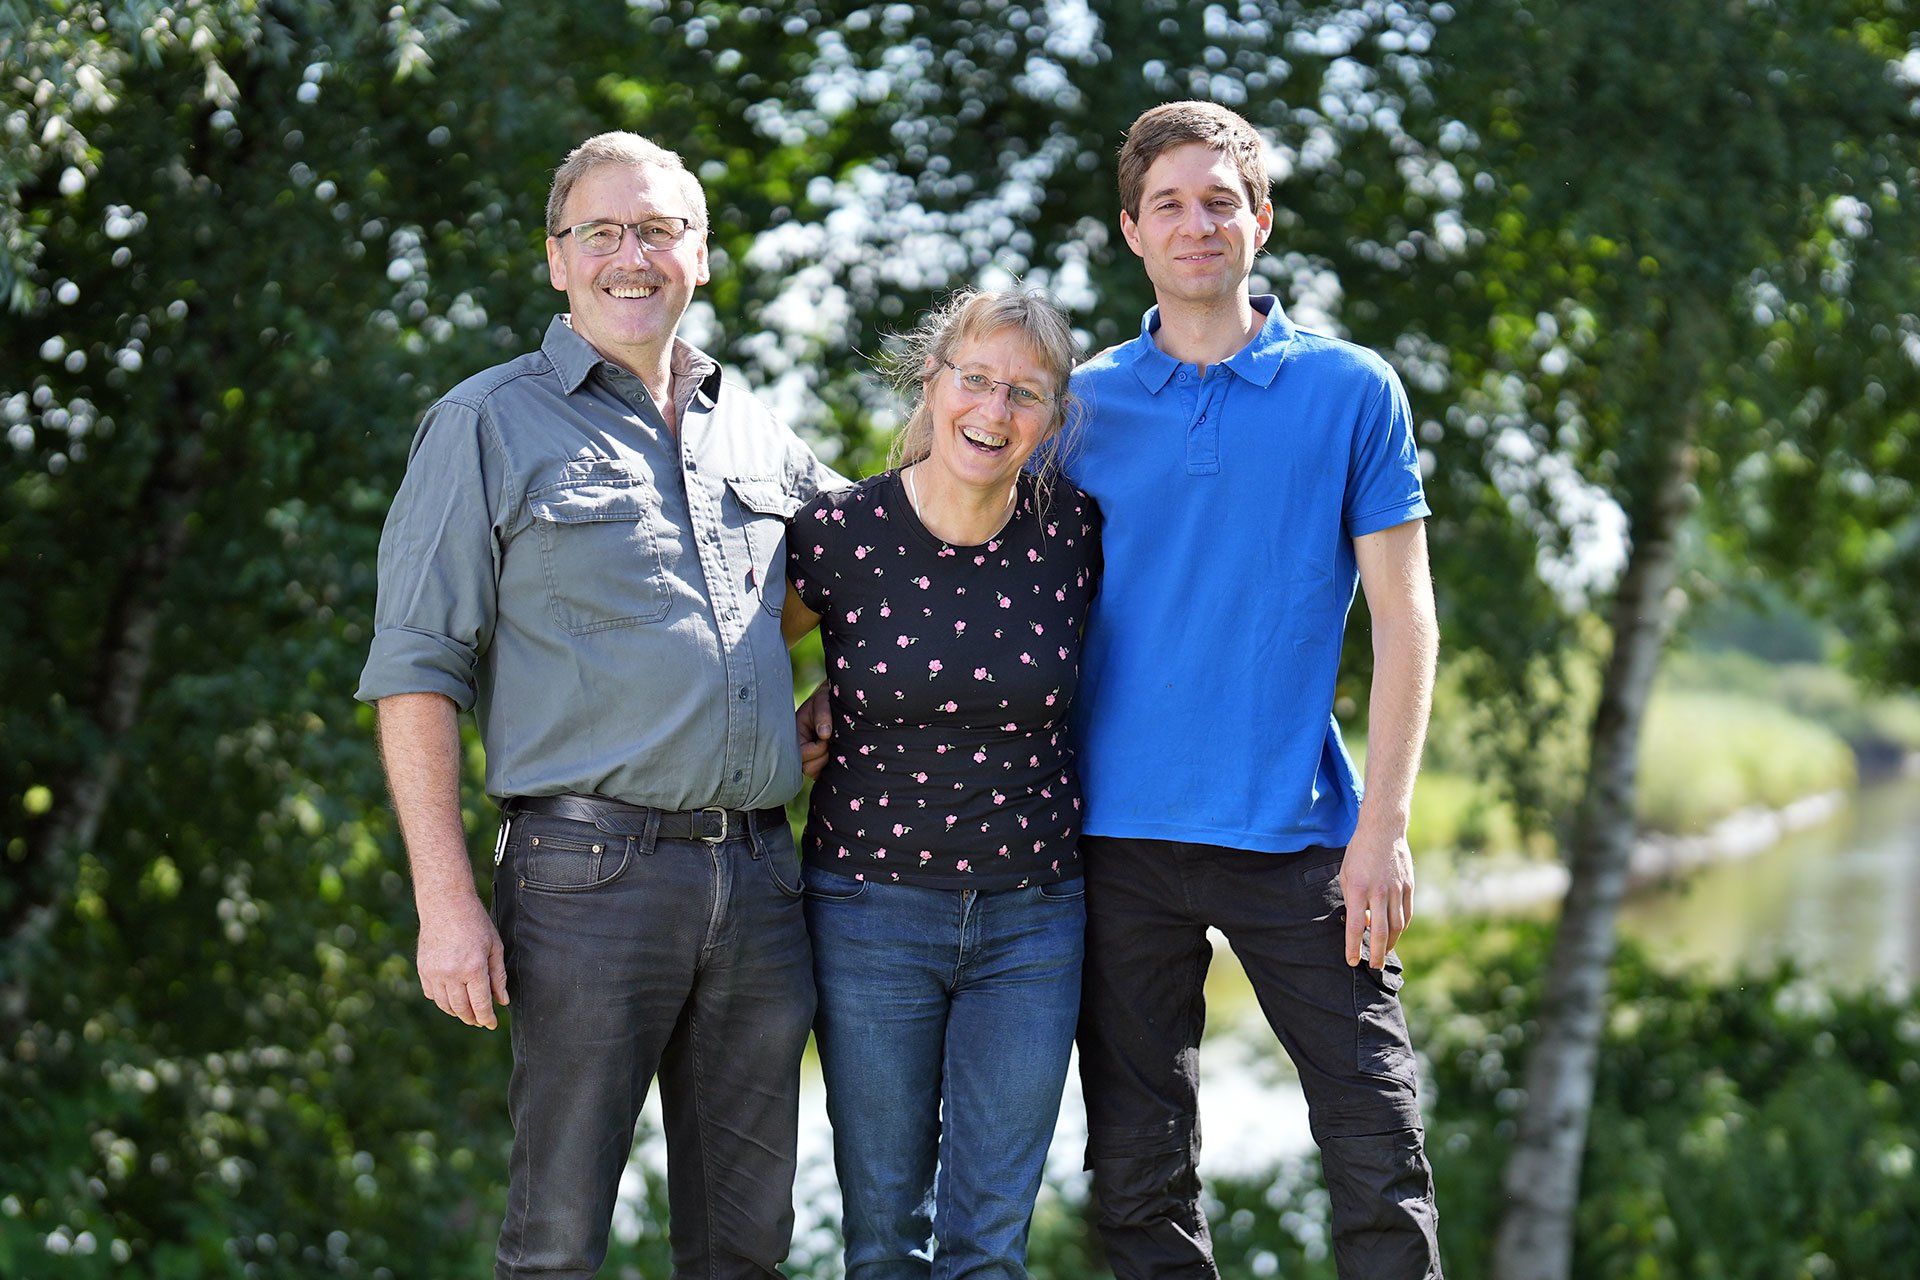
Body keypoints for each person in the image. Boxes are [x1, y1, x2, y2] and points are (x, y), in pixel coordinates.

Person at [356, 131, 839, 1279]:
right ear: (557, 259)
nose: (633, 255)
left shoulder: (752, 426)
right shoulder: (486, 422)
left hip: (763, 878)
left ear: (701, 255)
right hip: (587, 880)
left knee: (746, 1248)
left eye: (660, 230)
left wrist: (833, 699)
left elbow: (870, 568)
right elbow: (417, 666)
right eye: (603, 232)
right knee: (558, 1242)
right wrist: (445, 900)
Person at [1067, 101, 1444, 1276]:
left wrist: (1384, 826)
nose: (1197, 225)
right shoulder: (1077, 405)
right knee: (1138, 1169)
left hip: (1301, 834)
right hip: (1115, 837)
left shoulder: (1352, 389)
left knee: (1378, 1141)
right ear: (1133, 230)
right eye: (1169, 205)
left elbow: (1406, 616)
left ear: (1261, 221)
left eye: (1219, 202)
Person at [781, 289, 1099, 1279]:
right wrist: (782, 729)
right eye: (976, 379)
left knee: (989, 1248)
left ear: (1052, 417)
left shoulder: (1075, 533)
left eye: (1025, 393)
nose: (994, 411)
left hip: (1034, 920)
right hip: (868, 914)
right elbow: (726, 661)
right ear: (933, 380)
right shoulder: (838, 533)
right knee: (884, 1243)